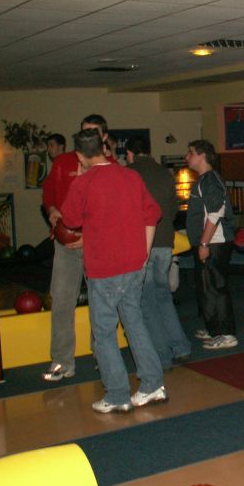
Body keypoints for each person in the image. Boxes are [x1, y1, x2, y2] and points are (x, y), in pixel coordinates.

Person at [60, 128, 166, 414]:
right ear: (104, 148)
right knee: (134, 322)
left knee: (104, 332)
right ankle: (152, 384)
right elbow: (152, 214)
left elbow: (70, 219)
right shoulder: (130, 176)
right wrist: (143, 253)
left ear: (80, 155)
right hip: (134, 264)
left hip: (104, 269)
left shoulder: (83, 183)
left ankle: (118, 395)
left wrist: (79, 180)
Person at [40, 114, 109, 382]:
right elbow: (48, 193)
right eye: (83, 132)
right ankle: (62, 360)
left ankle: (102, 356)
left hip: (96, 245)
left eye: (92, 132)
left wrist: (89, 236)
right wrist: (52, 210)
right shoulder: (63, 162)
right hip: (66, 244)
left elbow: (111, 213)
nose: (86, 137)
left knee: (100, 302)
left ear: (103, 137)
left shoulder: (111, 167)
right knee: (61, 300)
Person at [126, 135, 192, 370]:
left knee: (147, 302)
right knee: (163, 297)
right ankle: (181, 347)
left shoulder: (129, 174)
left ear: (130, 154)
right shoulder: (165, 173)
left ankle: (162, 355)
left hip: (142, 244)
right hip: (165, 241)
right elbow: (173, 208)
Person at [185, 139, 237, 350]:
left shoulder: (209, 180)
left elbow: (215, 213)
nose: (187, 157)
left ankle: (226, 334)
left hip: (214, 242)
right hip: (209, 242)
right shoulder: (204, 180)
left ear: (202, 155)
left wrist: (204, 243)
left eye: (191, 152)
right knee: (207, 288)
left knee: (215, 288)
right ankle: (215, 328)